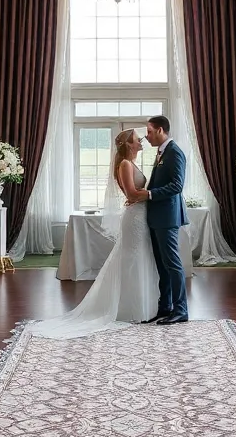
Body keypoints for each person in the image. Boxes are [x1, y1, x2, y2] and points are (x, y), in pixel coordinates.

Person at [30, 128, 158, 338]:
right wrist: (151, 194)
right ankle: (126, 307)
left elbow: (136, 194)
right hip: (134, 217)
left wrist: (142, 195)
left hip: (140, 215)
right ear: (128, 144)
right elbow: (131, 194)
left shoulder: (132, 163)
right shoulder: (125, 164)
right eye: (137, 139)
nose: (141, 141)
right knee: (131, 257)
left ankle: (141, 305)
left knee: (139, 257)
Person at [132, 115, 189, 324]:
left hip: (167, 218)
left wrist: (148, 195)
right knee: (162, 266)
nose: (146, 137)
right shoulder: (161, 152)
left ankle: (181, 310)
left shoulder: (174, 152)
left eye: (148, 131)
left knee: (173, 264)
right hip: (157, 217)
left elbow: (177, 186)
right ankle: (165, 307)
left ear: (160, 130)